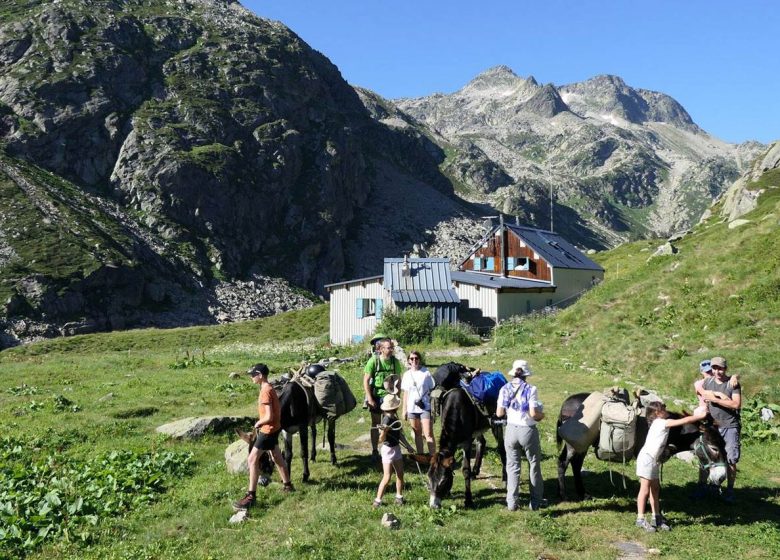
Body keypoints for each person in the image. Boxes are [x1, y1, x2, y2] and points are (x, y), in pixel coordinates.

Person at [233, 363, 293, 510]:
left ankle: (250, 496)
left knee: (252, 459)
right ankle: (288, 486)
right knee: (277, 457)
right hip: (275, 428)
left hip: (267, 430)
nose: (251, 377)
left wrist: (258, 423)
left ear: (260, 375)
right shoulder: (270, 388)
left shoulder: (265, 391)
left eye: (253, 375)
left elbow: (269, 415)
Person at [635, 401, 700, 531]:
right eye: (663, 408)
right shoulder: (660, 422)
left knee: (655, 489)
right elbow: (683, 421)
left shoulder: (659, 422)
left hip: (654, 460)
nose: (666, 410)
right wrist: (699, 416)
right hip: (647, 459)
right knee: (645, 489)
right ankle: (640, 519)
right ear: (657, 413)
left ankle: (656, 517)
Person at [496, 359, 546, 511]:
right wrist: (541, 415)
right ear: (526, 374)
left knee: (512, 467)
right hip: (527, 430)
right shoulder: (531, 389)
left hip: (511, 430)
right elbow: (533, 413)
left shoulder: (504, 388)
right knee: (534, 465)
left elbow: (499, 413)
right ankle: (536, 502)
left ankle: (511, 503)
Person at [699, 356, 742, 503]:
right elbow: (703, 395)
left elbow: (736, 405)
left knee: (730, 459)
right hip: (713, 426)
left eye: (721, 368)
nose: (718, 371)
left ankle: (729, 491)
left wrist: (717, 398)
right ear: (711, 369)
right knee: (706, 456)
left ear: (726, 368)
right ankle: (704, 487)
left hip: (730, 426)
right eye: (715, 368)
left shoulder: (732, 384)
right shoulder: (708, 382)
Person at [364, 338, 403, 461]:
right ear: (381, 349)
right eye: (388, 348)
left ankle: (391, 448)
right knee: (375, 423)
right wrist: (369, 398)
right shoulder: (373, 361)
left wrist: (398, 396)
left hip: (389, 396)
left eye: (392, 347)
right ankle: (375, 450)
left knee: (390, 422)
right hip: (376, 395)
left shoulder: (394, 362)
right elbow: (365, 380)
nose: (391, 350)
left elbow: (398, 380)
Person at [372, 394, 409, 508]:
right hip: (388, 450)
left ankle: (399, 497)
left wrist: (408, 446)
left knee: (400, 474)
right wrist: (384, 432)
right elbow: (381, 440)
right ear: (395, 407)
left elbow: (400, 434)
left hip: (396, 448)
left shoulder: (395, 418)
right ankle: (378, 500)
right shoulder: (387, 420)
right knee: (387, 476)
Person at [400, 350, 436, 455]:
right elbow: (405, 393)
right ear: (408, 361)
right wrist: (404, 410)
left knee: (428, 433)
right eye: (412, 358)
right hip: (412, 408)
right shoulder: (406, 375)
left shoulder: (426, 372)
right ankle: (421, 457)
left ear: (419, 360)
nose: (414, 360)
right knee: (417, 433)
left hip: (425, 407)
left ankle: (433, 457)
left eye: (416, 358)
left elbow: (432, 389)